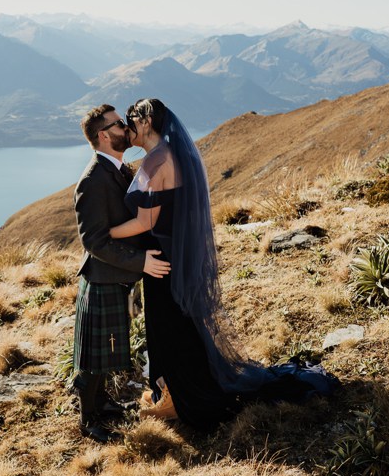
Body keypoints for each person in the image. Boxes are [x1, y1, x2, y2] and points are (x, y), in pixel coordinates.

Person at [110, 98, 337, 430]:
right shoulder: (164, 156)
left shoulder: (158, 162)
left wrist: (105, 234)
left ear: (145, 122)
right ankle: (173, 391)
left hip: (163, 259)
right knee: (176, 326)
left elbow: (146, 221)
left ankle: (186, 397)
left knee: (173, 328)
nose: (129, 126)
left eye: (132, 119)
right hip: (168, 255)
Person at [72, 104, 171, 443]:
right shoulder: (92, 180)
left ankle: (102, 403)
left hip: (116, 277)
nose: (125, 126)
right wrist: (141, 262)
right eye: (118, 124)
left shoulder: (118, 169)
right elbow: (95, 241)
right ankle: (89, 421)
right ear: (103, 135)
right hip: (101, 277)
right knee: (92, 358)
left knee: (105, 351)